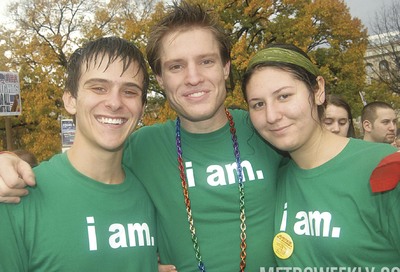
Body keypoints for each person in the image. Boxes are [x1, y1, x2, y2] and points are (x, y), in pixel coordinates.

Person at [0, 2, 283, 271]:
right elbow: (83, 171)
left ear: (226, 67)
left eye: (206, 61)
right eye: (176, 66)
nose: (193, 77)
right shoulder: (143, 146)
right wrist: (7, 161)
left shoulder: (267, 127)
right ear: (161, 79)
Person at [0, 37, 159, 271]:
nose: (114, 103)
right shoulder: (18, 195)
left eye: (129, 91)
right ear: (70, 100)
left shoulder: (152, 193)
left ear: (142, 108)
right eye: (98, 88)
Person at [241, 43, 399, 268]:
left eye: (284, 96)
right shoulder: (276, 179)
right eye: (258, 104)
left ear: (318, 91)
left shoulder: (384, 166)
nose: (272, 115)